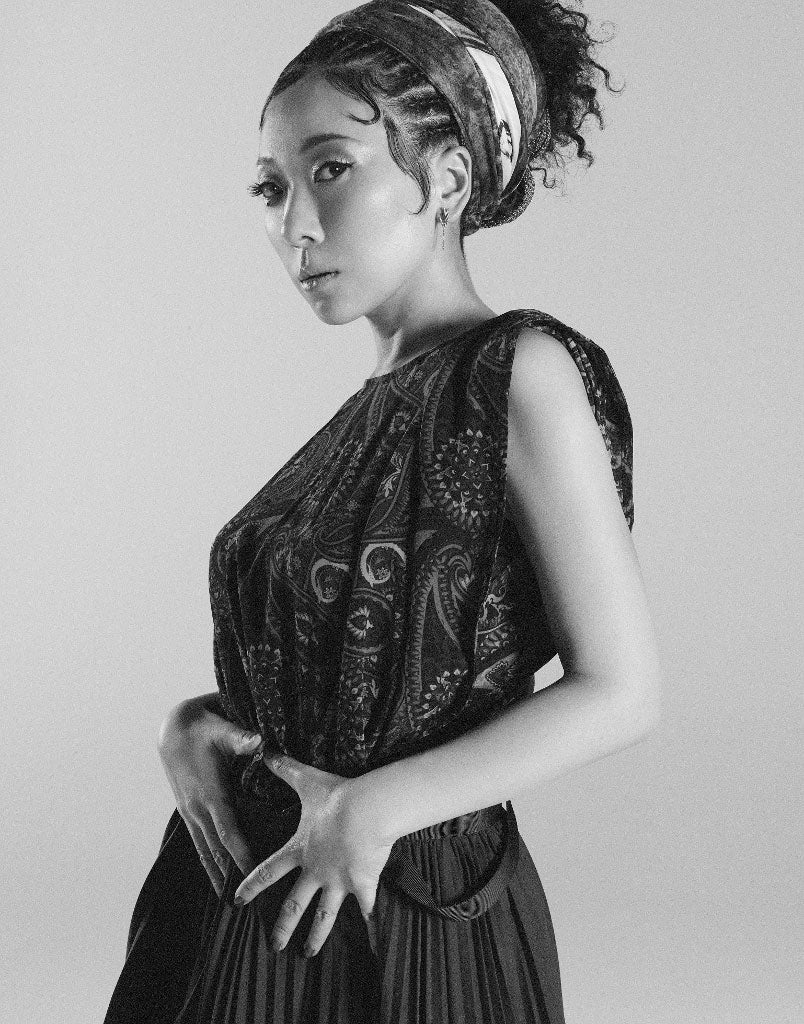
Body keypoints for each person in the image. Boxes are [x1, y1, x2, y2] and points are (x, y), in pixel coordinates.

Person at [104, 1, 663, 1021]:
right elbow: (340, 671)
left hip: (402, 911)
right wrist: (192, 724)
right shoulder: (369, 410)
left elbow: (621, 688)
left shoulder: (520, 371)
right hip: (242, 898)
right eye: (270, 188)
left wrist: (373, 810)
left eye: (331, 169)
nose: (294, 223)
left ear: (446, 181)